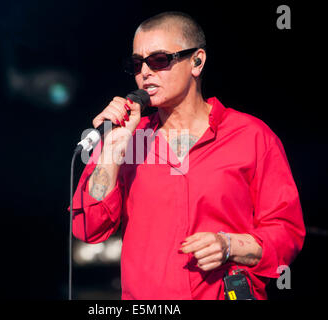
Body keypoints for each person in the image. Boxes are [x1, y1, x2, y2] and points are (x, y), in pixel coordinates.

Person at [71, 11, 305, 300]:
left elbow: (287, 231)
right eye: (136, 63)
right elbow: (87, 229)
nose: (145, 72)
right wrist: (111, 151)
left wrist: (230, 245)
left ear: (197, 61)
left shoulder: (251, 136)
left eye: (159, 60)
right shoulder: (127, 139)